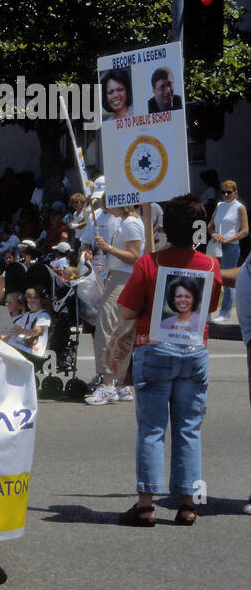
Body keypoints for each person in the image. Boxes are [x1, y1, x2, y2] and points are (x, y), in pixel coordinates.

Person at [116, 195, 221, 527]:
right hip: (193, 352)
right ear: (198, 230)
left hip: (154, 349)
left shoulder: (149, 263)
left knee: (151, 429)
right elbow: (213, 308)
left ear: (164, 228)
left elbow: (127, 310)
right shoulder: (209, 265)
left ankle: (146, 505)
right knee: (189, 429)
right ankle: (188, 504)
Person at [86, 204, 144, 405]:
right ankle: (120, 384)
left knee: (106, 327)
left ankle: (108, 383)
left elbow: (135, 256)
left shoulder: (129, 223)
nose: (104, 205)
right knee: (119, 329)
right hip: (119, 276)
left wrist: (108, 248)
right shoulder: (125, 222)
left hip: (123, 278)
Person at [208, 180, 247, 323]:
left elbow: (245, 231)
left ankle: (226, 313)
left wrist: (228, 239)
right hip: (216, 245)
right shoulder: (219, 205)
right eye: (223, 192)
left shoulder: (239, 208)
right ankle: (209, 312)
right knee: (212, 277)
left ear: (235, 193)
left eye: (229, 192)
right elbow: (210, 226)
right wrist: (214, 235)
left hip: (231, 246)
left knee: (227, 281)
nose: (225, 194)